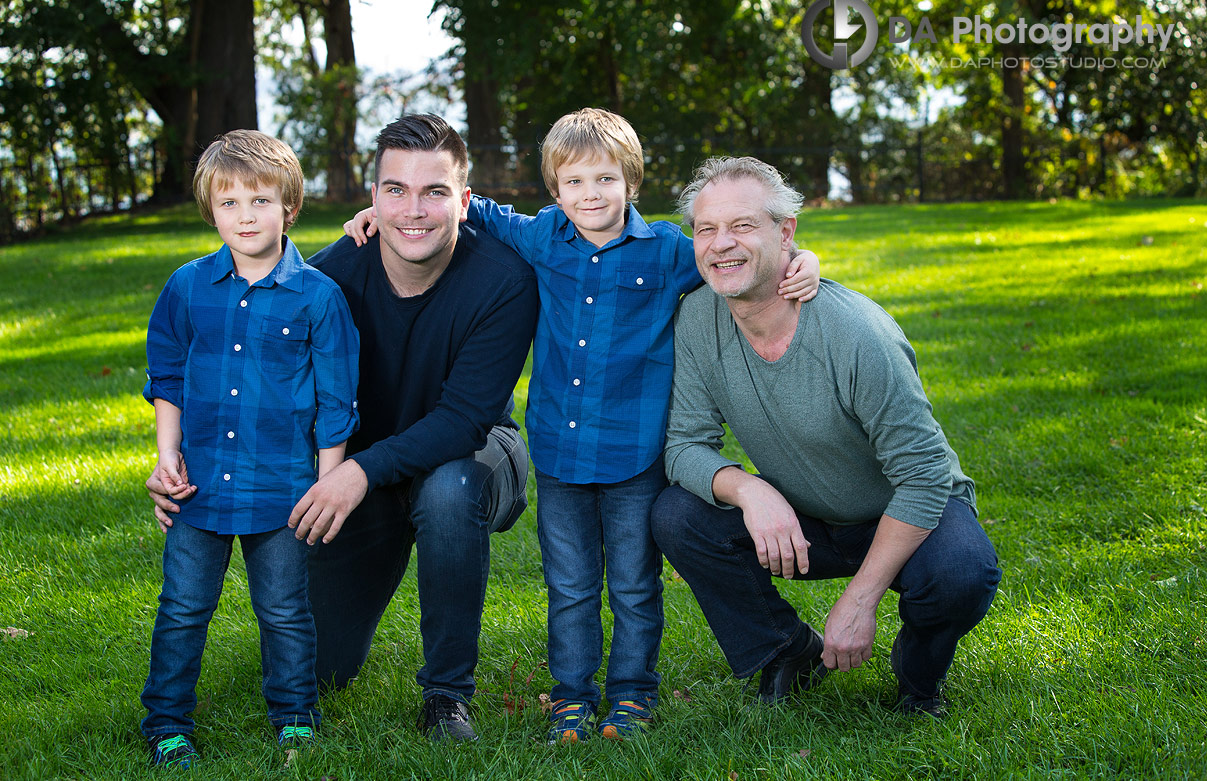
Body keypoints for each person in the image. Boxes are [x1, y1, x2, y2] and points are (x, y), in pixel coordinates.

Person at [344, 108, 821, 743]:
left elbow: (736, 258)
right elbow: (467, 208)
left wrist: (803, 257)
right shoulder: (542, 239)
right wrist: (385, 212)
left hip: (635, 458)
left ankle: (631, 695)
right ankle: (570, 696)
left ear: (631, 182)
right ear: (554, 189)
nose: (590, 197)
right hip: (561, 458)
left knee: (631, 585)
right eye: (573, 183)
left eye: (605, 181)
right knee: (567, 585)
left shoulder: (669, 253)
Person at [149, 115, 539, 743]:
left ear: (464, 202)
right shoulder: (329, 280)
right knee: (318, 666)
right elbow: (252, 378)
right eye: (396, 191)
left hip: (471, 452)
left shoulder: (505, 281)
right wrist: (187, 464)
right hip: (360, 465)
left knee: (448, 490)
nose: (414, 210)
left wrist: (353, 473)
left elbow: (464, 419)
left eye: (434, 192)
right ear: (373, 197)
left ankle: (446, 696)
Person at [652, 156, 1001, 718]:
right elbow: (683, 445)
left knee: (961, 572)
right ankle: (788, 650)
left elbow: (926, 476)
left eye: (742, 226)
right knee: (677, 514)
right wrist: (750, 491)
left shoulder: (856, 334)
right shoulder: (697, 320)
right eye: (706, 229)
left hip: (905, 515)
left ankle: (918, 680)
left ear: (785, 231)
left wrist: (860, 599)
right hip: (806, 517)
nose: (721, 244)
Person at [140, 130, 360, 768]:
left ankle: (294, 716)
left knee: (285, 610)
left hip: (282, 487)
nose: (245, 215)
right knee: (183, 607)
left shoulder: (318, 296)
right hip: (201, 483)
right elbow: (168, 380)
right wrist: (166, 456)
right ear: (211, 209)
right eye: (229, 202)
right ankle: (165, 722)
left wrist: (327, 484)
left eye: (260, 200)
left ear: (288, 207)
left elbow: (335, 400)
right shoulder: (187, 288)